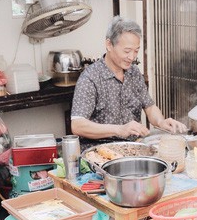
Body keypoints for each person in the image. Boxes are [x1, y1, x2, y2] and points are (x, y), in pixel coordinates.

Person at [71, 16, 187, 150]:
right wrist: (119, 130)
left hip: (133, 147)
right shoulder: (90, 78)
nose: (132, 57)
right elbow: (77, 125)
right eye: (127, 51)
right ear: (109, 45)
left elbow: (149, 107)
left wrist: (161, 122)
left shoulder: (134, 72)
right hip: (101, 150)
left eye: (136, 51)